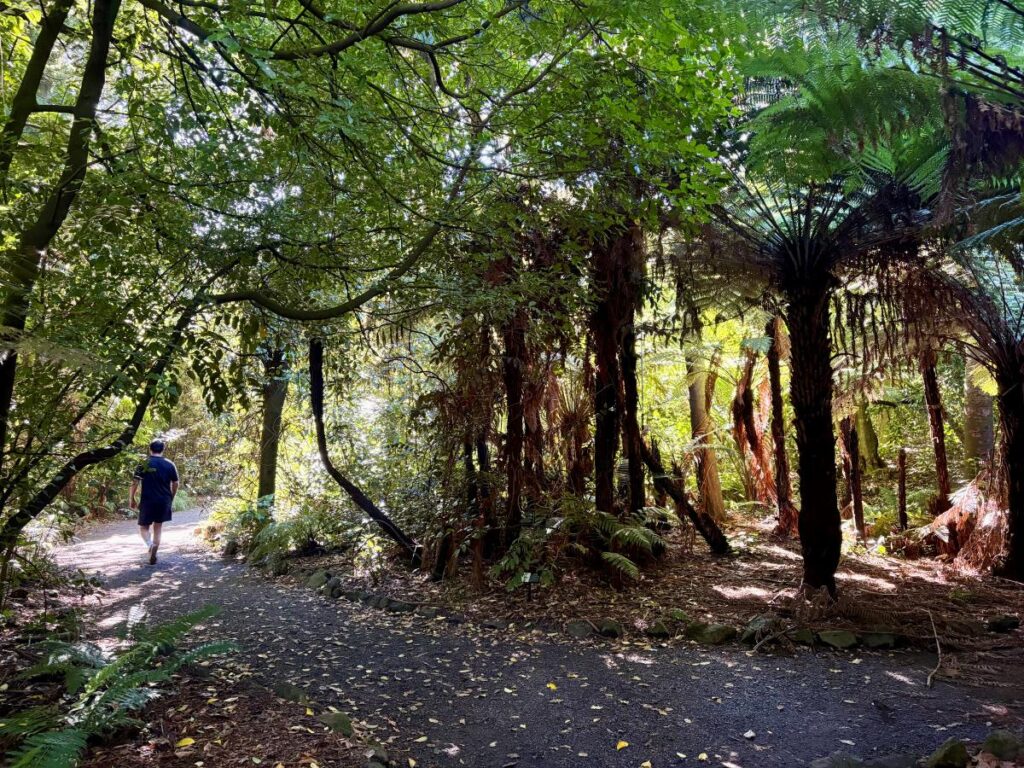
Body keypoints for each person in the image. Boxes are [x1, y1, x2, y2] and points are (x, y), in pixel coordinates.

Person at [129, 439, 179, 565]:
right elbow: (176, 483)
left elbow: (135, 482)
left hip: (147, 499)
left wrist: (132, 498)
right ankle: (154, 549)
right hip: (164, 500)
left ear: (150, 449)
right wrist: (171, 497)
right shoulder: (170, 464)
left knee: (143, 527)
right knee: (158, 526)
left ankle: (150, 545)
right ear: (163, 449)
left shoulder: (144, 463)